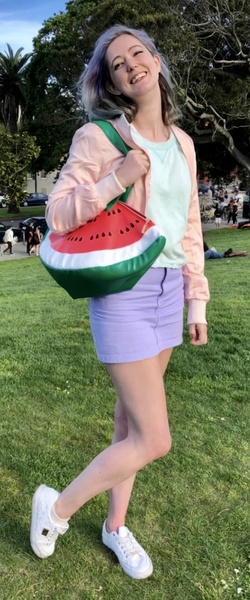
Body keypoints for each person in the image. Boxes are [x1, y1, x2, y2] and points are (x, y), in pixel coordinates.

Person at [30, 25, 209, 579]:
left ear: (156, 59)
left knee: (127, 428)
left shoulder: (183, 143)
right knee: (155, 439)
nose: (131, 65)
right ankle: (55, 509)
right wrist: (117, 179)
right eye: (117, 64)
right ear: (111, 83)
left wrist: (195, 300)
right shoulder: (100, 138)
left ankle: (115, 528)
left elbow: (190, 227)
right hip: (124, 294)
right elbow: (57, 214)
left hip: (165, 294)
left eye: (138, 53)